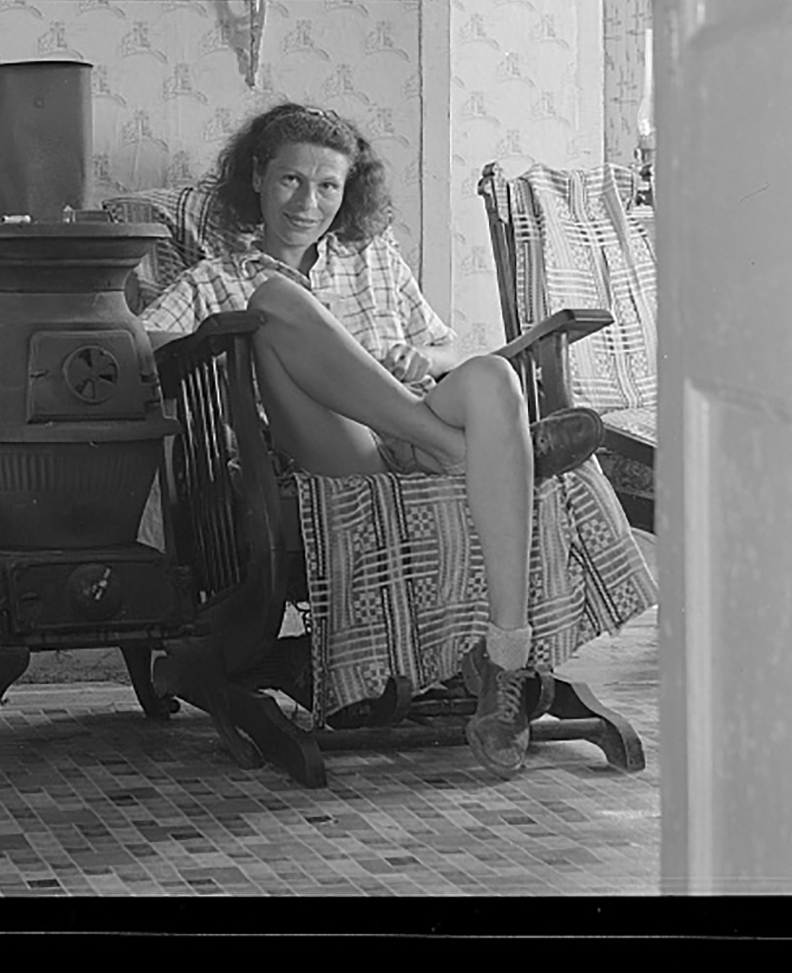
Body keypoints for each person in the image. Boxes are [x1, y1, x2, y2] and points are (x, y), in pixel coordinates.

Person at [139, 104, 604, 779]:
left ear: (347, 190)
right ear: (257, 179)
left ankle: (505, 656)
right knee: (274, 301)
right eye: (291, 180)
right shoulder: (216, 278)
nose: (308, 201)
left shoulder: (375, 259)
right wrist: (215, 342)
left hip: (409, 424)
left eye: (328, 185)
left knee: (492, 374)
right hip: (329, 456)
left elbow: (441, 341)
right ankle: (472, 453)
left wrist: (427, 357)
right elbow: (145, 345)